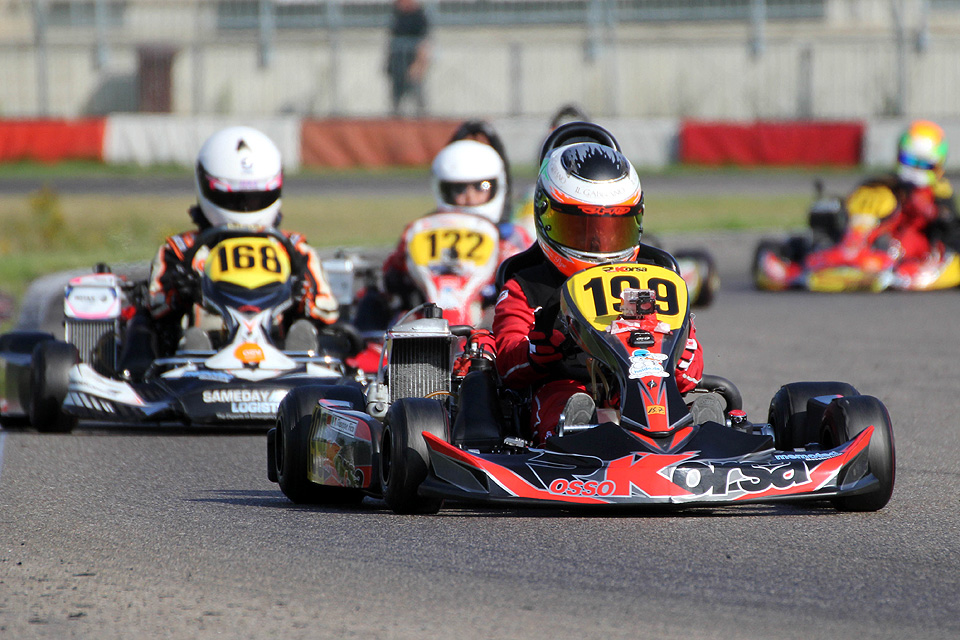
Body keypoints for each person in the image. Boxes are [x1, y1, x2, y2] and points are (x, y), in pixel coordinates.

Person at [492, 123, 704, 444]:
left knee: (704, 399)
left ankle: (700, 429)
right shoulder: (526, 283)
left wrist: (682, 354)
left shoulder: (654, 277)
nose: (598, 246)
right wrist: (538, 347)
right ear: (546, 215)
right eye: (582, 230)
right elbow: (508, 364)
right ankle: (579, 438)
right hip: (562, 386)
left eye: (611, 231)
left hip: (646, 387)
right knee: (566, 403)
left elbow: (689, 374)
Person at [118, 126, 339, 378]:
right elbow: (158, 308)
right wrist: (182, 290)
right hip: (205, 350)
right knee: (145, 323)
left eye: (256, 198)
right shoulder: (181, 250)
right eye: (235, 199)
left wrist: (301, 295)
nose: (245, 207)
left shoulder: (294, 248)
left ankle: (305, 357)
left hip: (281, 351)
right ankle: (180, 360)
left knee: (318, 331)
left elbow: (327, 310)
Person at [862, 119, 960, 262]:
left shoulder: (940, 192)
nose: (915, 168)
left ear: (937, 166)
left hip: (919, 244)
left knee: (910, 239)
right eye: (910, 160)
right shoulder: (886, 184)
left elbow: (952, 231)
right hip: (881, 232)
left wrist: (933, 213)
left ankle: (888, 253)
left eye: (923, 164)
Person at [386, 0, 430, 117]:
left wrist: (419, 63)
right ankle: (396, 115)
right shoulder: (396, 15)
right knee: (397, 92)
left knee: (416, 89)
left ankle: (421, 116)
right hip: (398, 62)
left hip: (413, 59)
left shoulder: (419, 17)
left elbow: (423, 42)